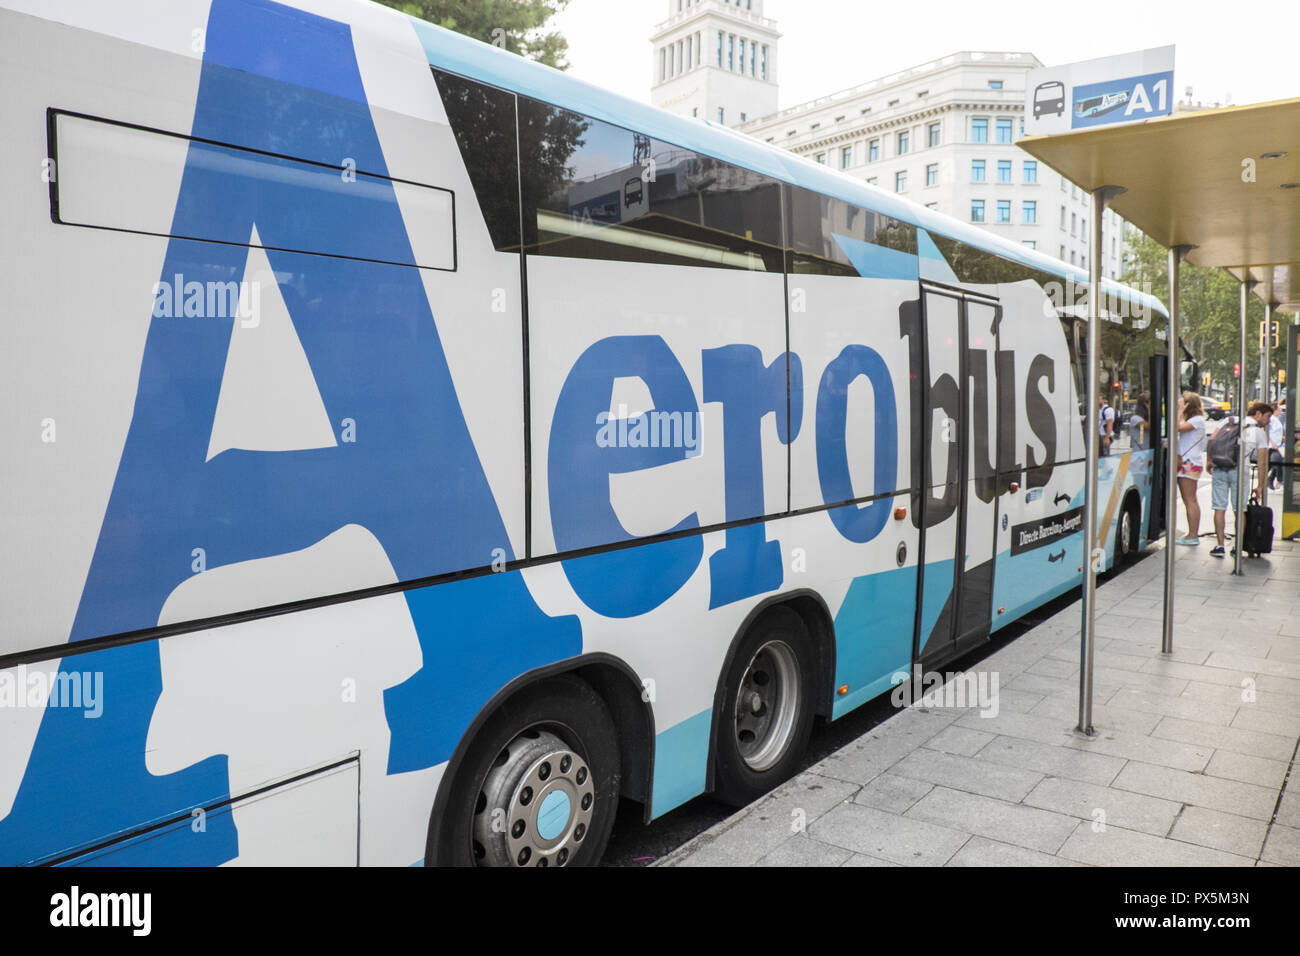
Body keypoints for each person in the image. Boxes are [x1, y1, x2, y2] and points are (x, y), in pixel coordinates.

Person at [1207, 402, 1273, 557]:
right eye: (1267, 416)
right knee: (1240, 509)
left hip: (1219, 467)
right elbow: (1263, 460)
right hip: (1240, 471)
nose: (1268, 421)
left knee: (1219, 507)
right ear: (1257, 414)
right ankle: (1237, 546)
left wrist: (1209, 460)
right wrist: (1260, 485)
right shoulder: (1258, 432)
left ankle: (1219, 546)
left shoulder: (1228, 421)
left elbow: (1212, 439)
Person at [1174, 391, 1206, 545]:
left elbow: (1176, 427)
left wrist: (1179, 411)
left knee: (1190, 500)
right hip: (1187, 462)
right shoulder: (1195, 420)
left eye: (1182, 403)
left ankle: (1193, 535)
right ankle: (1191, 533)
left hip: (1189, 462)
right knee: (1189, 499)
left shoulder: (1197, 420)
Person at [1269, 400, 1286, 490]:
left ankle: (1272, 480)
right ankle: (1276, 481)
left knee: (1277, 462)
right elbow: (1266, 431)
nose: (1281, 411)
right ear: (1275, 410)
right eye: (1279, 409)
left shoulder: (1275, 419)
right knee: (1279, 462)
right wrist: (1272, 443)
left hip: (1276, 445)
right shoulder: (1271, 419)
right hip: (1272, 446)